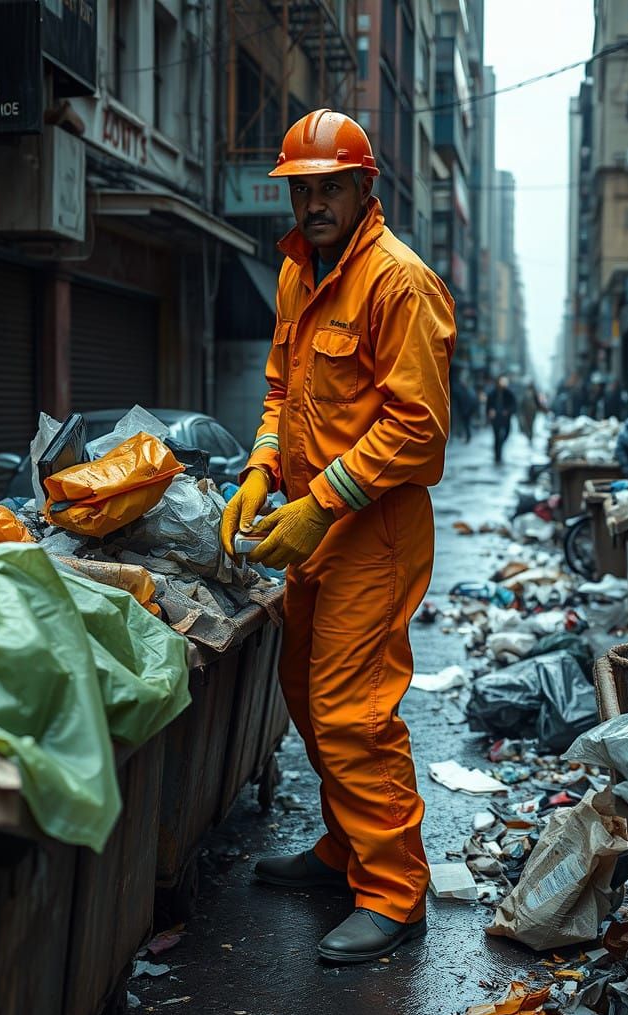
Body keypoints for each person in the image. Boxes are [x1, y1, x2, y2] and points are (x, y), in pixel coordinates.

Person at [219, 109, 456, 964]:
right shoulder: (296, 273)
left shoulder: (399, 282)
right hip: (310, 524)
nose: (314, 203)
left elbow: (420, 430)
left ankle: (394, 891)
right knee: (307, 698)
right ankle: (344, 849)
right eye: (302, 188)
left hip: (373, 532)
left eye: (329, 187)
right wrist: (259, 469)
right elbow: (282, 391)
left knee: (354, 714)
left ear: (364, 187)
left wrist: (321, 501)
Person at [487, 375, 517, 463]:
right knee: (496, 437)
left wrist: (508, 411)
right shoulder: (492, 393)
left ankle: (500, 448)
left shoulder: (509, 394)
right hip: (496, 419)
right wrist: (490, 412)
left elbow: (514, 405)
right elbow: (489, 406)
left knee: (506, 434)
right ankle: (497, 456)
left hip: (505, 419)